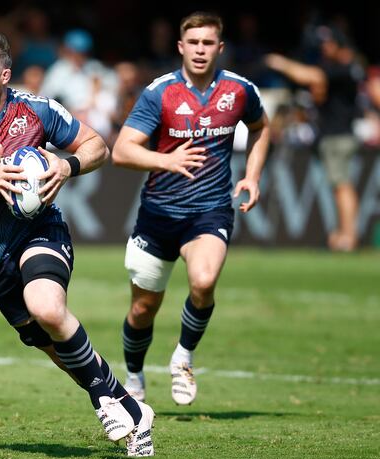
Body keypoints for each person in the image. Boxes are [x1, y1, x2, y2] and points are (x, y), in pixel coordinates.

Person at [0, 32, 155, 457]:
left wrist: (66, 164)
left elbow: (98, 146)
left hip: (40, 231)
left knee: (47, 307)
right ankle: (132, 408)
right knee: (58, 350)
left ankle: (104, 402)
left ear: (4, 76)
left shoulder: (36, 110)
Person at [111, 12, 270, 405]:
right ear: (181, 47)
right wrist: (166, 161)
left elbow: (262, 127)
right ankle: (133, 377)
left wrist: (252, 175)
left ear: (220, 47)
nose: (200, 50)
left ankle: (183, 357)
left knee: (203, 281)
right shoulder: (160, 93)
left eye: (208, 43)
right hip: (158, 214)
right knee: (143, 309)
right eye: (193, 43)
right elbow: (121, 151)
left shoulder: (239, 90)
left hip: (210, 210)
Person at [265, 25, 363, 251]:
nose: (325, 48)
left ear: (340, 46)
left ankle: (348, 236)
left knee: (342, 185)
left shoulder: (344, 68)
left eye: (329, 44)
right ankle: (343, 233)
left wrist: (281, 63)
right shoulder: (341, 68)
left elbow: (312, 76)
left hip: (339, 136)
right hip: (337, 136)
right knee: (339, 186)